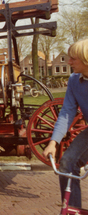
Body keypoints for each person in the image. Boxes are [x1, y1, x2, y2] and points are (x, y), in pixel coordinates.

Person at [42, 38, 88, 208]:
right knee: (67, 163)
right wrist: (54, 142)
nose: (69, 62)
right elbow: (67, 112)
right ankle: (72, 210)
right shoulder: (74, 80)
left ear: (85, 58)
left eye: (73, 58)